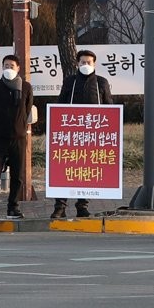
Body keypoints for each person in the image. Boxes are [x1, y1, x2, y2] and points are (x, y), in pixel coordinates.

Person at [51, 49, 114, 219]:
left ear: (94, 64)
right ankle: (60, 206)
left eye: (89, 62)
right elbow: (60, 106)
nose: (86, 65)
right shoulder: (70, 82)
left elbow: (109, 108)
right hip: (71, 134)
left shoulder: (101, 83)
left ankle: (82, 205)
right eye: (83, 62)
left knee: (86, 169)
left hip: (92, 135)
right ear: (77, 64)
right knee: (65, 169)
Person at [0, 54, 34, 220]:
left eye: (11, 66)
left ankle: (13, 207)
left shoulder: (26, 87)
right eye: (6, 65)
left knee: (17, 176)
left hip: (19, 138)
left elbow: (27, 111)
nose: (8, 69)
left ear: (18, 68)